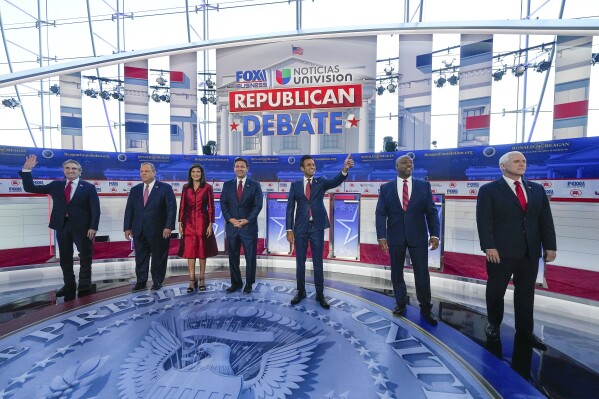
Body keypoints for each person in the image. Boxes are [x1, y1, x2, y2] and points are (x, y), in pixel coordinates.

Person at [476, 150, 556, 351]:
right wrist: (489, 246)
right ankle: (494, 325)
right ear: (503, 166)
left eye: (524, 161)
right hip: (500, 252)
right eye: (517, 161)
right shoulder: (489, 190)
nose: (522, 164)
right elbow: (484, 221)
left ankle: (525, 332)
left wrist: (550, 246)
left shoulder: (537, 189)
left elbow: (545, 220)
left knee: (526, 293)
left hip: (530, 251)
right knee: (496, 291)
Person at [20, 155, 101, 300]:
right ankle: (69, 285)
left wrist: (93, 227)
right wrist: (27, 170)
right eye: (68, 168)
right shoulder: (55, 185)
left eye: (74, 169)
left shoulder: (88, 187)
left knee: (85, 256)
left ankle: (84, 285)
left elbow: (95, 209)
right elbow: (30, 187)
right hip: (61, 225)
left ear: (79, 171)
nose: (71, 171)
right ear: (64, 171)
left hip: (83, 228)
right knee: (64, 257)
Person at [375, 155, 441, 325]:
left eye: (411, 162)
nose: (408, 164)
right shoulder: (386, 188)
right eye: (404, 162)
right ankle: (400, 303)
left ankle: (426, 307)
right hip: (395, 236)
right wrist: (381, 236)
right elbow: (381, 213)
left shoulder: (423, 186)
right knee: (397, 272)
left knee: (422, 273)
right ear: (396, 166)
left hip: (418, 236)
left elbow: (431, 212)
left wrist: (434, 234)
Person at [286, 154, 354, 309]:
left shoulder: (321, 181)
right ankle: (301, 291)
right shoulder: (295, 185)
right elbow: (290, 209)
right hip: (300, 228)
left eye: (313, 165)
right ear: (302, 168)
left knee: (318, 262)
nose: (312, 167)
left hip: (317, 226)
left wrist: (344, 169)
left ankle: (320, 294)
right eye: (309, 165)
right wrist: (289, 229)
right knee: (300, 262)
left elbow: (335, 181)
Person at [124, 162, 177, 291]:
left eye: (146, 171)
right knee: (140, 257)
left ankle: (157, 281)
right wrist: (127, 227)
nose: (143, 173)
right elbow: (129, 209)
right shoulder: (135, 190)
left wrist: (168, 226)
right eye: (141, 171)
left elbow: (171, 209)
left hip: (159, 230)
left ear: (154, 173)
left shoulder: (165, 188)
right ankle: (141, 282)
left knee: (159, 257)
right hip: (139, 230)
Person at [220, 157, 263, 293]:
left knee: (250, 257)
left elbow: (257, 206)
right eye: (237, 166)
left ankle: (249, 283)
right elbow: (223, 204)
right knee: (233, 257)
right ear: (234, 168)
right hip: (232, 227)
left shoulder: (255, 185)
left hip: (248, 227)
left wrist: (246, 220)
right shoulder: (227, 185)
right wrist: (231, 219)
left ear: (247, 169)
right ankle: (236, 283)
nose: (239, 169)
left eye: (242, 166)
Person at [178, 164, 219, 293]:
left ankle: (202, 278)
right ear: (190, 174)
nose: (196, 174)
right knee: (190, 252)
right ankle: (191, 280)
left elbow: (211, 207)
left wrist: (210, 224)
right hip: (188, 222)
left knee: (202, 252)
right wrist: (180, 223)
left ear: (201, 174)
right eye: (193, 172)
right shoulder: (186, 187)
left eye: (198, 172)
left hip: (203, 221)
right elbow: (182, 206)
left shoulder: (207, 187)